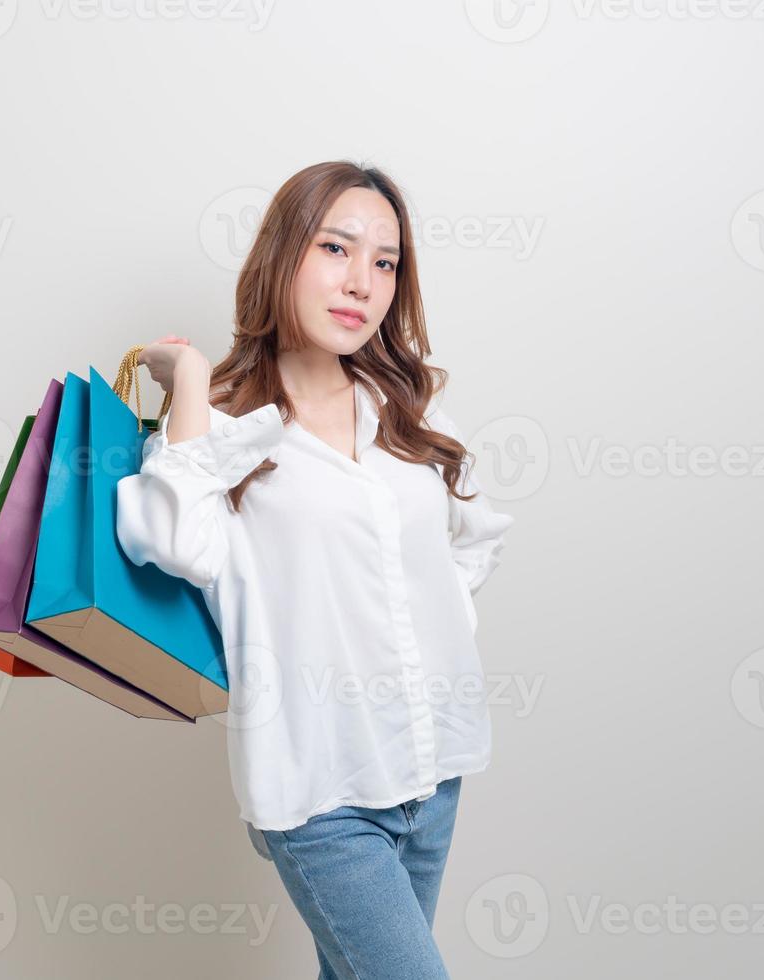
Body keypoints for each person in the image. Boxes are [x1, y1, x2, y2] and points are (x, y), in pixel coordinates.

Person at [114, 160, 515, 979]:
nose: (361, 282)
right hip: (322, 789)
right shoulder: (223, 424)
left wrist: (427, 644)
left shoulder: (407, 405)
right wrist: (189, 381)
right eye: (336, 248)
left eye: (384, 261)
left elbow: (469, 540)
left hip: (433, 769)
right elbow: (172, 540)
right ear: (283, 253)